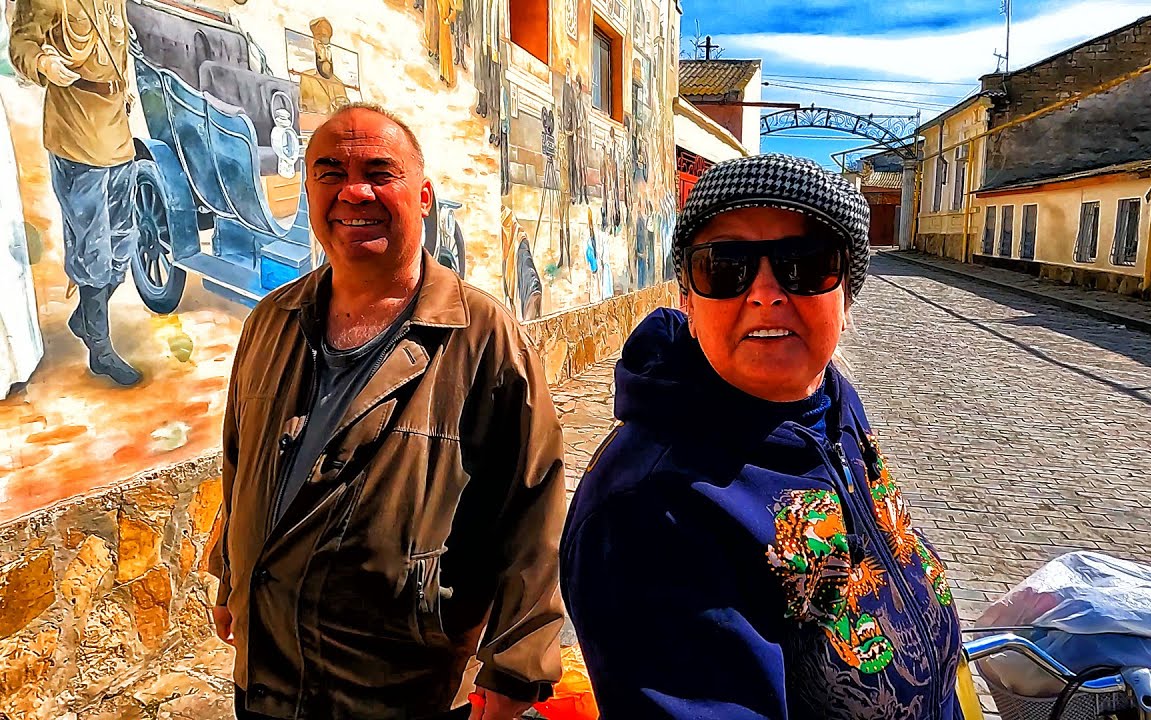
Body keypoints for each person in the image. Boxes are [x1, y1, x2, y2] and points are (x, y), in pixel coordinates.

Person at [561, 153, 964, 719]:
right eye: (726, 266)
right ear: (688, 299)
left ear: (846, 297)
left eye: (806, 264)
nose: (766, 293)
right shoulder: (652, 508)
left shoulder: (830, 403)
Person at [209, 104, 566, 720]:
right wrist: (230, 574)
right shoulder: (270, 322)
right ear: (309, 193)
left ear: (423, 197)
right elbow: (240, 464)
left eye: (379, 172)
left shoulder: (483, 335)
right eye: (330, 173)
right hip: (269, 679)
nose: (354, 192)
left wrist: (517, 664)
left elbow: (534, 505)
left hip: (403, 684)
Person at [9, 0, 141, 386]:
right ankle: (100, 349)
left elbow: (117, 46)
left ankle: (86, 316)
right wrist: (43, 64)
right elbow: (21, 43)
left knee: (124, 240)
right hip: (75, 131)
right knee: (93, 247)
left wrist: (123, 86)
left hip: (116, 128)